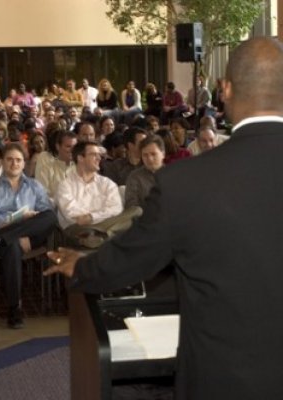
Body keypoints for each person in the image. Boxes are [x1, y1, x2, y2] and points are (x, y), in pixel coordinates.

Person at [44, 37, 283, 400]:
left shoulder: (187, 182)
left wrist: (82, 266)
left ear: (226, 90)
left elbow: (132, 258)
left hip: (225, 377)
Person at [0, 143, 57, 329]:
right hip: (1, 232)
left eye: (18, 160)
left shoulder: (34, 185)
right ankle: (15, 309)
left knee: (51, 216)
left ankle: (2, 240)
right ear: (3, 162)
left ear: (24, 164)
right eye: (10, 159)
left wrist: (25, 230)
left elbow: (45, 211)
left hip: (29, 235)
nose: (14, 163)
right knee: (12, 247)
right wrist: (20, 219)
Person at [55, 141, 141, 249]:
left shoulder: (106, 183)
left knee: (137, 211)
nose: (99, 158)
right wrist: (102, 213)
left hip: (104, 224)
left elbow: (116, 208)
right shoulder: (65, 185)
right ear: (80, 158)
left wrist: (92, 216)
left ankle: (103, 237)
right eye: (93, 155)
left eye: (99, 155)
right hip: (78, 228)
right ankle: (108, 236)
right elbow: (72, 215)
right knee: (122, 227)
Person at [124, 134, 165, 209]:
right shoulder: (135, 177)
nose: (149, 159)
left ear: (163, 154)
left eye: (153, 154)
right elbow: (131, 206)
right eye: (145, 155)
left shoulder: (174, 175)